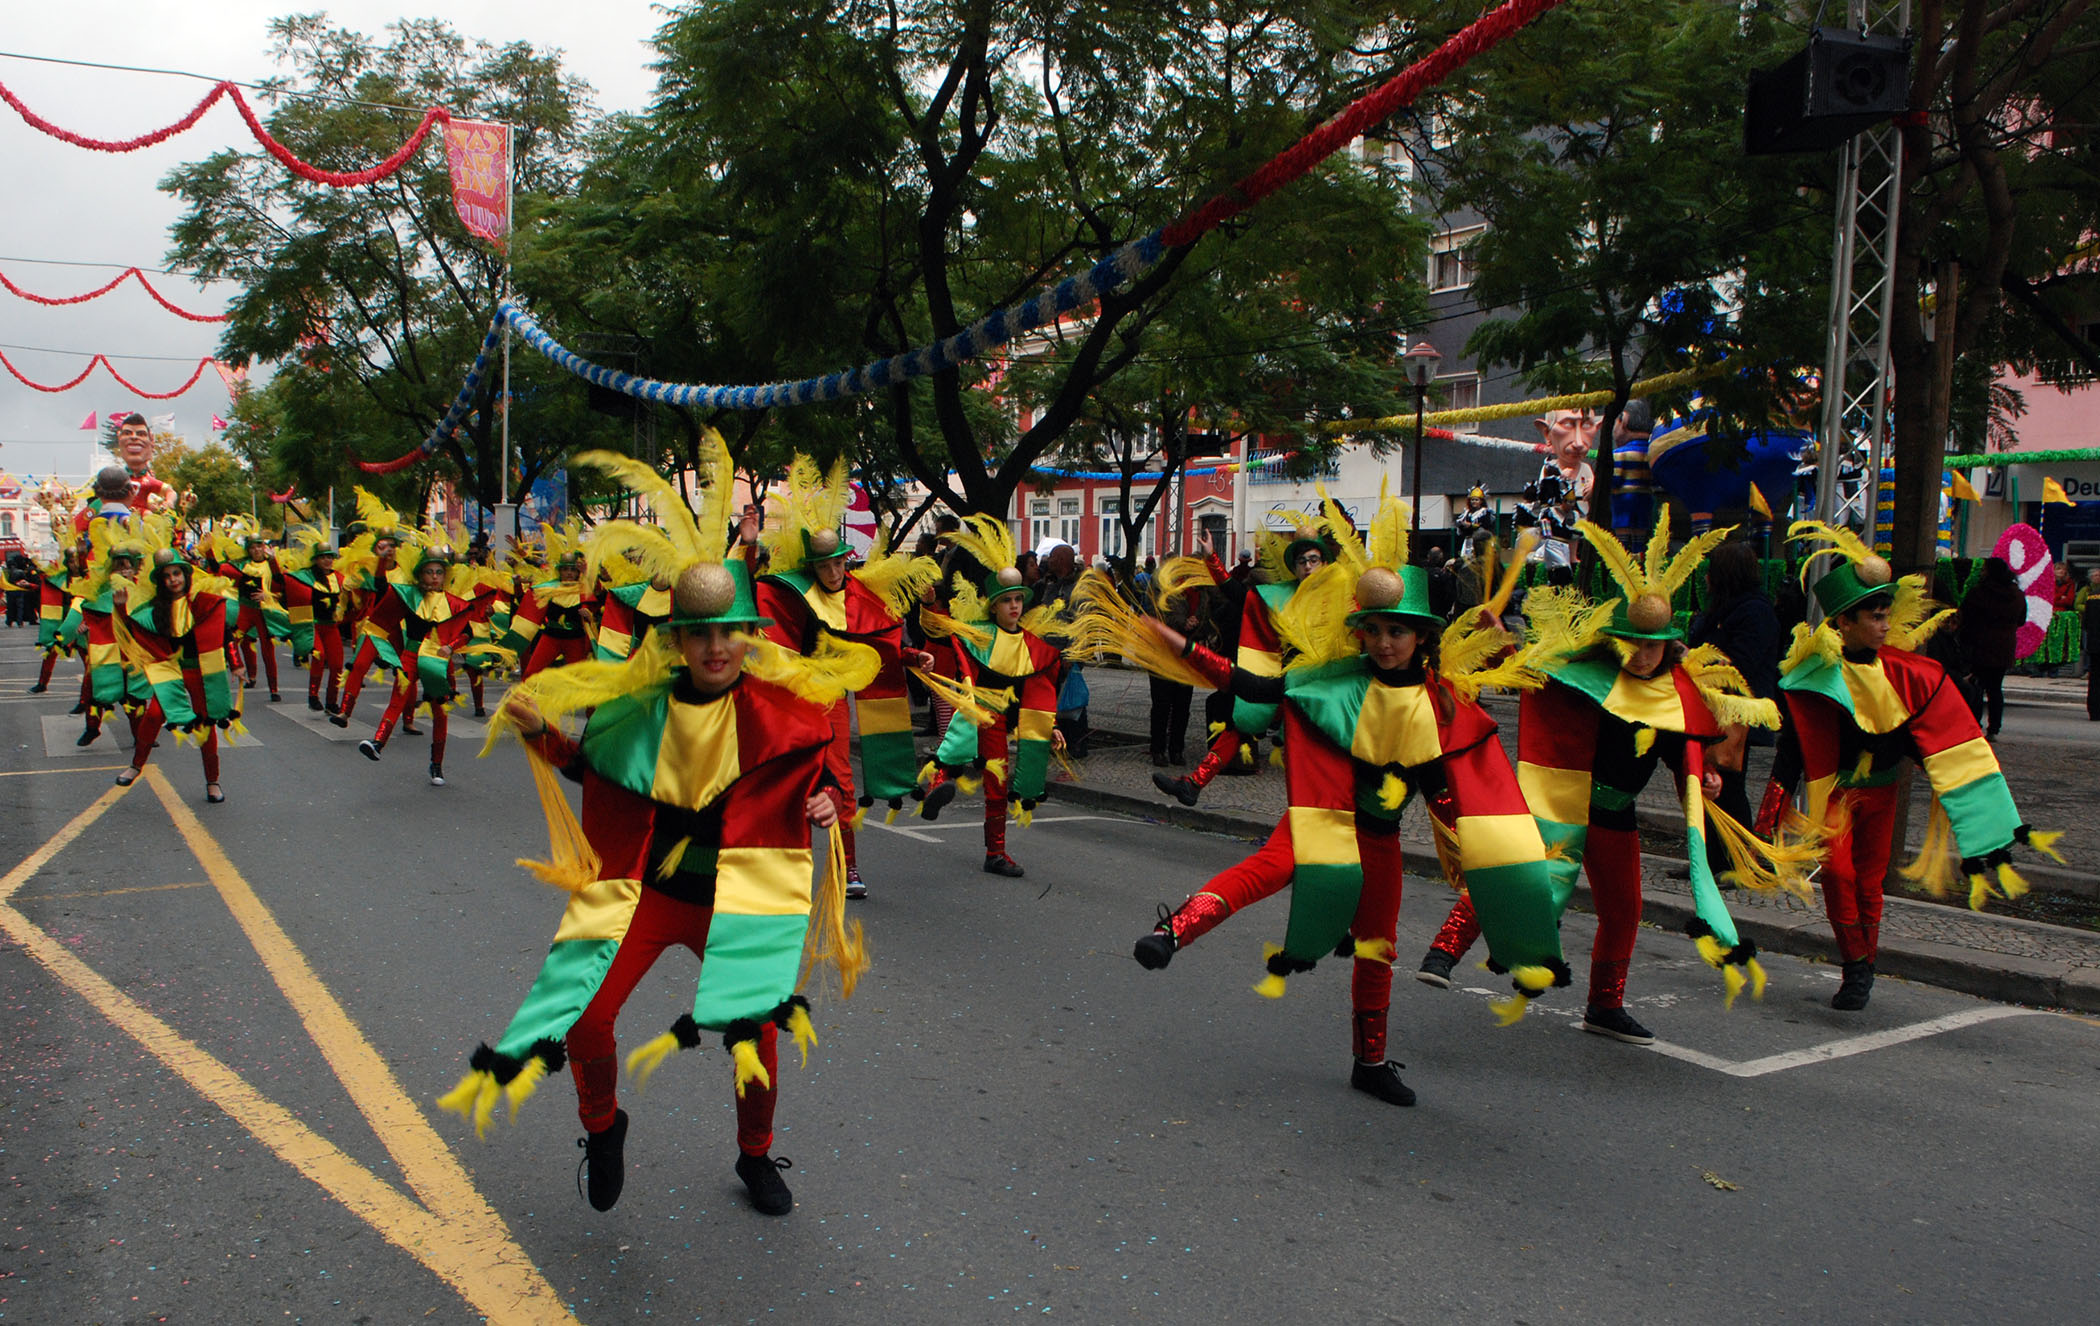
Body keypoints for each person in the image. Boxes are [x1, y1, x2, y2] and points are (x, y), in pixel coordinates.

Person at [442, 437, 867, 1218]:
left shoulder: (789, 715)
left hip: (738, 900)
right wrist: (540, 733)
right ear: (675, 640)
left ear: (748, 635)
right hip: (643, 893)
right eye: (698, 633)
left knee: (757, 1036)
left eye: (727, 631)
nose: (714, 647)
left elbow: (827, 786)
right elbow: (592, 771)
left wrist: (829, 809)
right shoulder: (639, 708)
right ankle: (603, 1128)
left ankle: (755, 1156)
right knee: (584, 1016)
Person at [1094, 491, 1569, 1107]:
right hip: (1321, 820)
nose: (1383, 642)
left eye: (1396, 631)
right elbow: (1252, 683)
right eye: (1372, 630)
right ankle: (1172, 933)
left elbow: (1449, 793)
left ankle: (1369, 1062)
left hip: (1379, 841)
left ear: (1421, 636)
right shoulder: (1333, 686)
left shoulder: (1444, 705)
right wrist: (1180, 646)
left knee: (1378, 948)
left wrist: (1498, 873)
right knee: (1264, 871)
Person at [1419, 515, 1794, 1043]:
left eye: (1652, 646)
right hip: (1559, 805)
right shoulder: (1590, 674)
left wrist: (1704, 779)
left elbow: (1679, 751)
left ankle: (1604, 1005)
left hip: (1616, 816)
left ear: (1667, 647)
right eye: (1634, 644)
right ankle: (1443, 951)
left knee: (1625, 912)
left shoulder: (1674, 697)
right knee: (1515, 877)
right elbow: (1534, 671)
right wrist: (1498, 640)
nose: (1642, 655)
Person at [1759, 524, 2061, 1010]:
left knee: (1871, 882)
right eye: (1874, 617)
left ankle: (1865, 967)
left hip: (1882, 793)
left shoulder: (1907, 674)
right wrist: (1768, 816)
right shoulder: (1810, 679)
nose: (1884, 625)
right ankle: (1855, 964)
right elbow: (1792, 748)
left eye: (1886, 616)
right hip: (1835, 797)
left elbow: (1929, 739)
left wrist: (1966, 797)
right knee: (1839, 876)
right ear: (1845, 623)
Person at [742, 455, 939, 899]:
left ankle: (847, 867)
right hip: (788, 700)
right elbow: (742, 593)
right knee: (784, 784)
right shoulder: (791, 592)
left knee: (840, 786)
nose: (836, 572)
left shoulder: (857, 595)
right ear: (813, 567)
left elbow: (878, 642)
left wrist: (912, 657)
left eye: (840, 563)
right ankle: (769, 865)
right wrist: (749, 546)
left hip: (830, 704)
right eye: (827, 566)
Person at [915, 516, 1068, 877]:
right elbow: (939, 632)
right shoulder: (979, 634)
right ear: (994, 606)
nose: (1014, 606)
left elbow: (1040, 689)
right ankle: (934, 790)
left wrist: (1052, 726)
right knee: (956, 749)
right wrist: (930, 604)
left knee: (997, 784)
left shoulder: (1033, 645)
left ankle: (995, 853)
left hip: (1005, 718)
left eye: (1018, 600)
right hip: (977, 710)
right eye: (1007, 601)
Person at [1151, 524, 1332, 806]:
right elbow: (1240, 595)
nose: (1307, 567)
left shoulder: (1341, 597)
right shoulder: (1281, 596)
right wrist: (1212, 558)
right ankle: (1195, 783)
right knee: (1241, 723)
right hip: (1286, 682)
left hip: (1325, 691)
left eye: (1313, 560)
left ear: (1325, 563)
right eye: (1301, 561)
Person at [355, 543, 504, 786]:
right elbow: (381, 590)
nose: (434, 577)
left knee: (439, 711)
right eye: (429, 572)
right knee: (398, 697)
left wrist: (451, 646)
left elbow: (466, 632)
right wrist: (382, 561)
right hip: (411, 654)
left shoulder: (454, 603)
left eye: (439, 572)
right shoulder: (409, 595)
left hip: (437, 659)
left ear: (445, 575)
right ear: (420, 574)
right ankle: (378, 742)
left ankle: (437, 765)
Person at [112, 543, 245, 802]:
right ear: (162, 581)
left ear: (185, 575)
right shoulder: (155, 608)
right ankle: (136, 765)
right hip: (169, 669)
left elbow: (224, 632)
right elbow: (136, 632)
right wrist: (120, 608)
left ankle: (213, 781)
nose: (173, 579)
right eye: (167, 576)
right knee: (152, 716)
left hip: (201, 669)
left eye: (177, 573)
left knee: (205, 725)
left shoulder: (202, 603)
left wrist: (236, 662)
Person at [1688, 539, 1781, 885]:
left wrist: (1702, 661)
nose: (1707, 578)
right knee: (1708, 784)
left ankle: (1739, 861)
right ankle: (1711, 860)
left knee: (1730, 785)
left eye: (1712, 570)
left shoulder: (1754, 611)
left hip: (1738, 713)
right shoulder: (1722, 609)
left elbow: (1741, 663)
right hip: (1711, 709)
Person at [1957, 557, 2025, 738]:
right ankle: (1994, 728)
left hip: (1980, 645)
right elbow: (2021, 620)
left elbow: (1965, 618)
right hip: (2004, 647)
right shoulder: (2017, 595)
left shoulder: (1979, 593)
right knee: (1995, 689)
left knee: (1976, 686)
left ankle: (1974, 725)